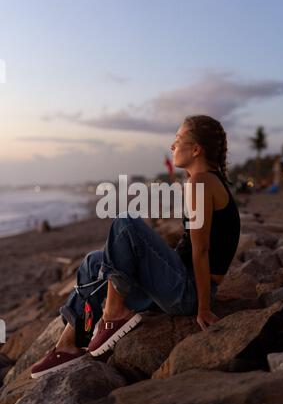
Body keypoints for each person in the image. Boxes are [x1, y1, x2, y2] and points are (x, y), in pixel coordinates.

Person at [31, 115, 241, 378]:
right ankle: (69, 344)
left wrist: (204, 307)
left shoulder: (201, 182)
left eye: (177, 140)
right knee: (93, 262)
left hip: (187, 292)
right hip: (180, 285)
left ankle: (114, 313)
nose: (172, 146)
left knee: (126, 223)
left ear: (196, 149)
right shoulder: (201, 181)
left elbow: (201, 251)